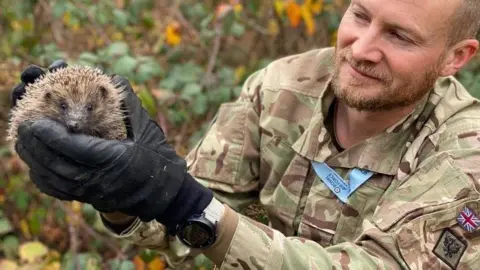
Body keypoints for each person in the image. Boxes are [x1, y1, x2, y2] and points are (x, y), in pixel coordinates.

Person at [9, 0, 480, 269]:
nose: (362, 49)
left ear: (455, 57)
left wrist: (186, 205)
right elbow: (185, 231)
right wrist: (120, 189)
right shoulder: (281, 87)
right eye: (360, 14)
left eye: (399, 36)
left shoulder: (466, 156)